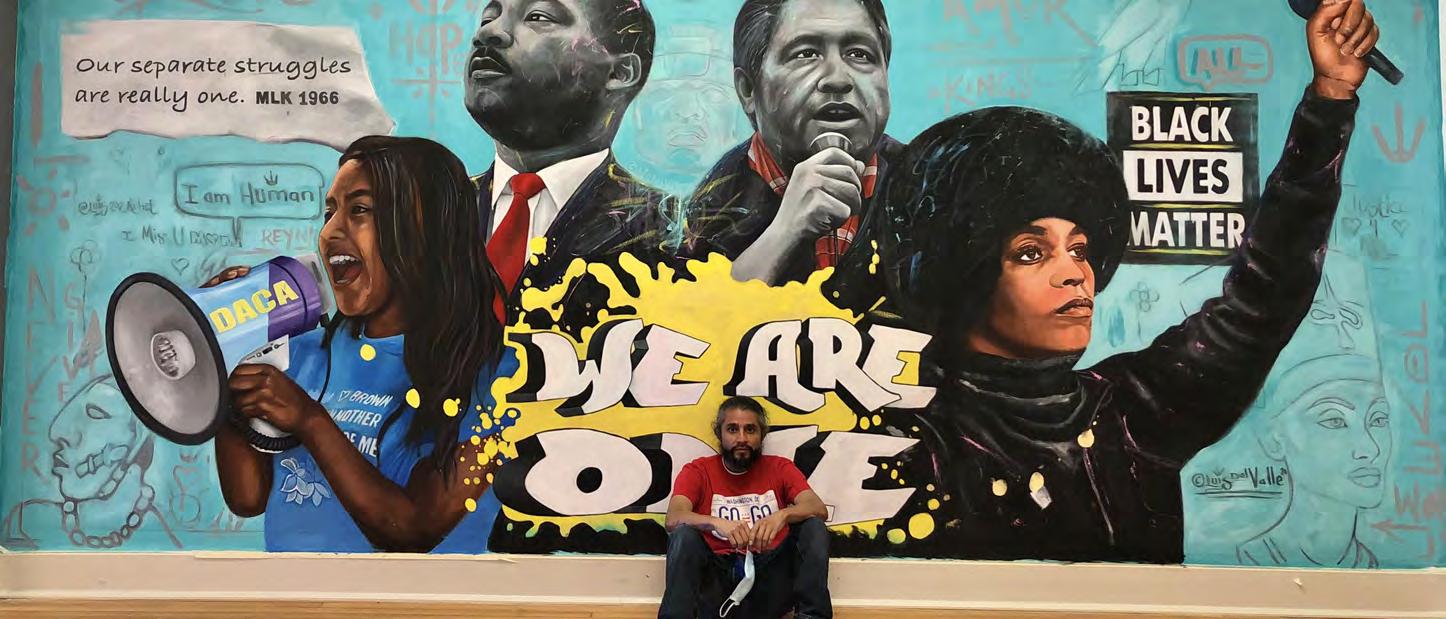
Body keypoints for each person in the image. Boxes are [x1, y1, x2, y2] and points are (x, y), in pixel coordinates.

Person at [830, 0, 1380, 562]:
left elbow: (1266, 293)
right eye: (1031, 252)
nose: (1075, 273)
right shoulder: (898, 442)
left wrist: (1331, 98)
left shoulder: (1134, 412)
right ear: (961, 271)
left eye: (1080, 249)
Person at [210, 136, 506, 553]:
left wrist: (310, 420)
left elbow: (414, 528)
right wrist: (225, 362)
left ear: (426, 229)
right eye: (329, 212)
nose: (330, 232)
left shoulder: (499, 375)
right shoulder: (303, 352)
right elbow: (247, 498)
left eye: (360, 210)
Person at [464, 0, 677, 324]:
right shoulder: (425, 213)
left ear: (619, 72)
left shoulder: (666, 232)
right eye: (487, 19)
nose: (488, 32)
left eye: (538, 17)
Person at [679, 0, 900, 285]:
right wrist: (785, 231)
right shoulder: (712, 207)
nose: (838, 79)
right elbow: (694, 309)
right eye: (806, 54)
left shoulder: (928, 184)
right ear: (748, 90)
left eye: (860, 54)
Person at [660, 396, 830, 619]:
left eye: (750, 430)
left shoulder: (780, 467)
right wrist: (714, 522)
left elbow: (818, 508)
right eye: (732, 429)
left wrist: (783, 515)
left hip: (769, 579)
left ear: (762, 434)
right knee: (683, 535)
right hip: (716, 582)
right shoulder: (698, 471)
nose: (742, 438)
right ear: (719, 433)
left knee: (814, 527)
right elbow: (674, 518)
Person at [1237, 353, 1391, 568]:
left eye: (1379, 419)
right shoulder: (1252, 562)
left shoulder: (1368, 566)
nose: (1371, 449)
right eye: (1335, 420)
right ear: (1274, 439)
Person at [1, 375, 180, 550]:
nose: (58, 432)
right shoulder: (23, 525)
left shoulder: (166, 542)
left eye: (95, 414)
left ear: (138, 440)